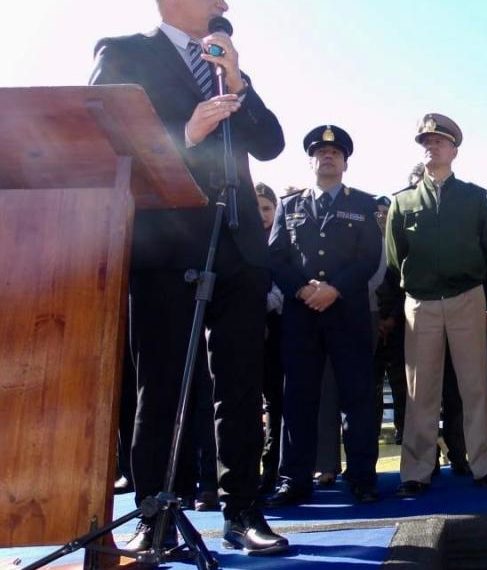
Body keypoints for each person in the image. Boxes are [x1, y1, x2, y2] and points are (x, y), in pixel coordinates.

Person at [89, 0, 288, 553]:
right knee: (163, 385)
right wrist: (187, 132)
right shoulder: (126, 53)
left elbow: (270, 143)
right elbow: (105, 139)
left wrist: (236, 76)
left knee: (242, 387)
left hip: (239, 245)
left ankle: (244, 512)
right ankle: (154, 514)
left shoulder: (228, 63)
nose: (225, 5)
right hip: (167, 244)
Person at [386, 113, 487, 496]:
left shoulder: (476, 197)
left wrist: (481, 294)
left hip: (466, 298)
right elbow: (394, 258)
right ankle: (417, 471)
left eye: (438, 141)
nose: (430, 146)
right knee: (420, 391)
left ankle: (486, 465)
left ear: (454, 149)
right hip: (420, 303)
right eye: (425, 141)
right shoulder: (402, 202)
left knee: (475, 386)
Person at [266, 125, 382, 505]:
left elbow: (369, 257)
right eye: (319, 152)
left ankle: (362, 478)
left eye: (334, 153)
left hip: (347, 313)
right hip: (301, 316)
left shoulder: (364, 204)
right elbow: (276, 256)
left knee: (357, 399)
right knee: (298, 399)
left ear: (345, 162)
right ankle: (295, 479)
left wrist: (335, 289)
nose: (327, 156)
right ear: (310, 160)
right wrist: (301, 289)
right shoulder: (290, 205)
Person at [255, 183, 285, 495]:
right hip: (239, 332)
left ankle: (272, 469)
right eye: (256, 208)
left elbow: (285, 284)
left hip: (276, 331)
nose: (262, 214)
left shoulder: (279, 245)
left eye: (266, 208)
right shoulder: (235, 242)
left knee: (276, 403)